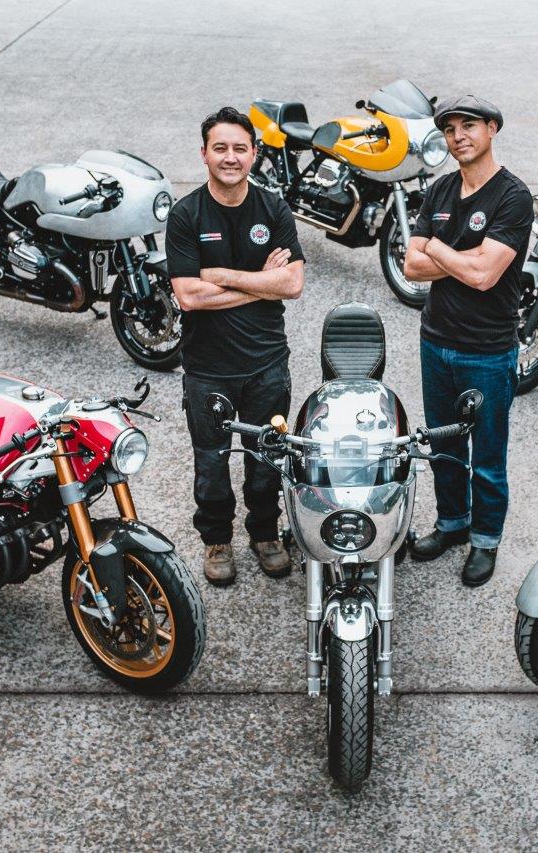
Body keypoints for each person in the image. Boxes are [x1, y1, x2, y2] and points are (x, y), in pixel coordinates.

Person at [165, 107, 306, 587]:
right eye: (220, 147)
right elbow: (187, 295)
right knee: (211, 460)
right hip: (208, 368)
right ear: (204, 153)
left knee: (266, 456)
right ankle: (216, 540)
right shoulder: (186, 215)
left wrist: (221, 276)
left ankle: (266, 534)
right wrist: (262, 281)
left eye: (240, 148)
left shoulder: (273, 209)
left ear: (255, 154)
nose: (230, 157)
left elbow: (292, 284)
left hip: (267, 363)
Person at [402, 94, 533, 588]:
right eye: (451, 128)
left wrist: (437, 246)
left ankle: (484, 540)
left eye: (469, 125)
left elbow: (484, 276)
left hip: (487, 349)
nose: (459, 135)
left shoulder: (512, 197)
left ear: (493, 128)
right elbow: (412, 268)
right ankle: (452, 525)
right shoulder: (438, 191)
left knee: (488, 455)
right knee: (444, 447)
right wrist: (462, 256)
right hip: (435, 342)